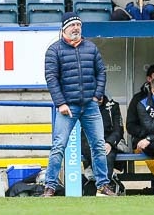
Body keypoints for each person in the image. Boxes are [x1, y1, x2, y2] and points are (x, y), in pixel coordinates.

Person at [42, 12, 117, 197]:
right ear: (64, 29)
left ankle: (103, 185)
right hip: (67, 107)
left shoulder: (91, 48)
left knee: (98, 146)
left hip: (90, 106)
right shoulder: (54, 50)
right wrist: (60, 103)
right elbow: (51, 79)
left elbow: (101, 73)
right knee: (59, 146)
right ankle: (50, 186)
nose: (76, 28)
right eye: (72, 25)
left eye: (78, 25)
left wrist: (97, 95)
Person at [80, 93, 125, 191]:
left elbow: (119, 130)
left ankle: (105, 187)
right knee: (96, 152)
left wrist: (109, 143)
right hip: (89, 143)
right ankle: (101, 186)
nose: (99, 96)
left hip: (108, 143)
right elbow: (82, 134)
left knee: (107, 155)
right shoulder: (83, 107)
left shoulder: (113, 106)